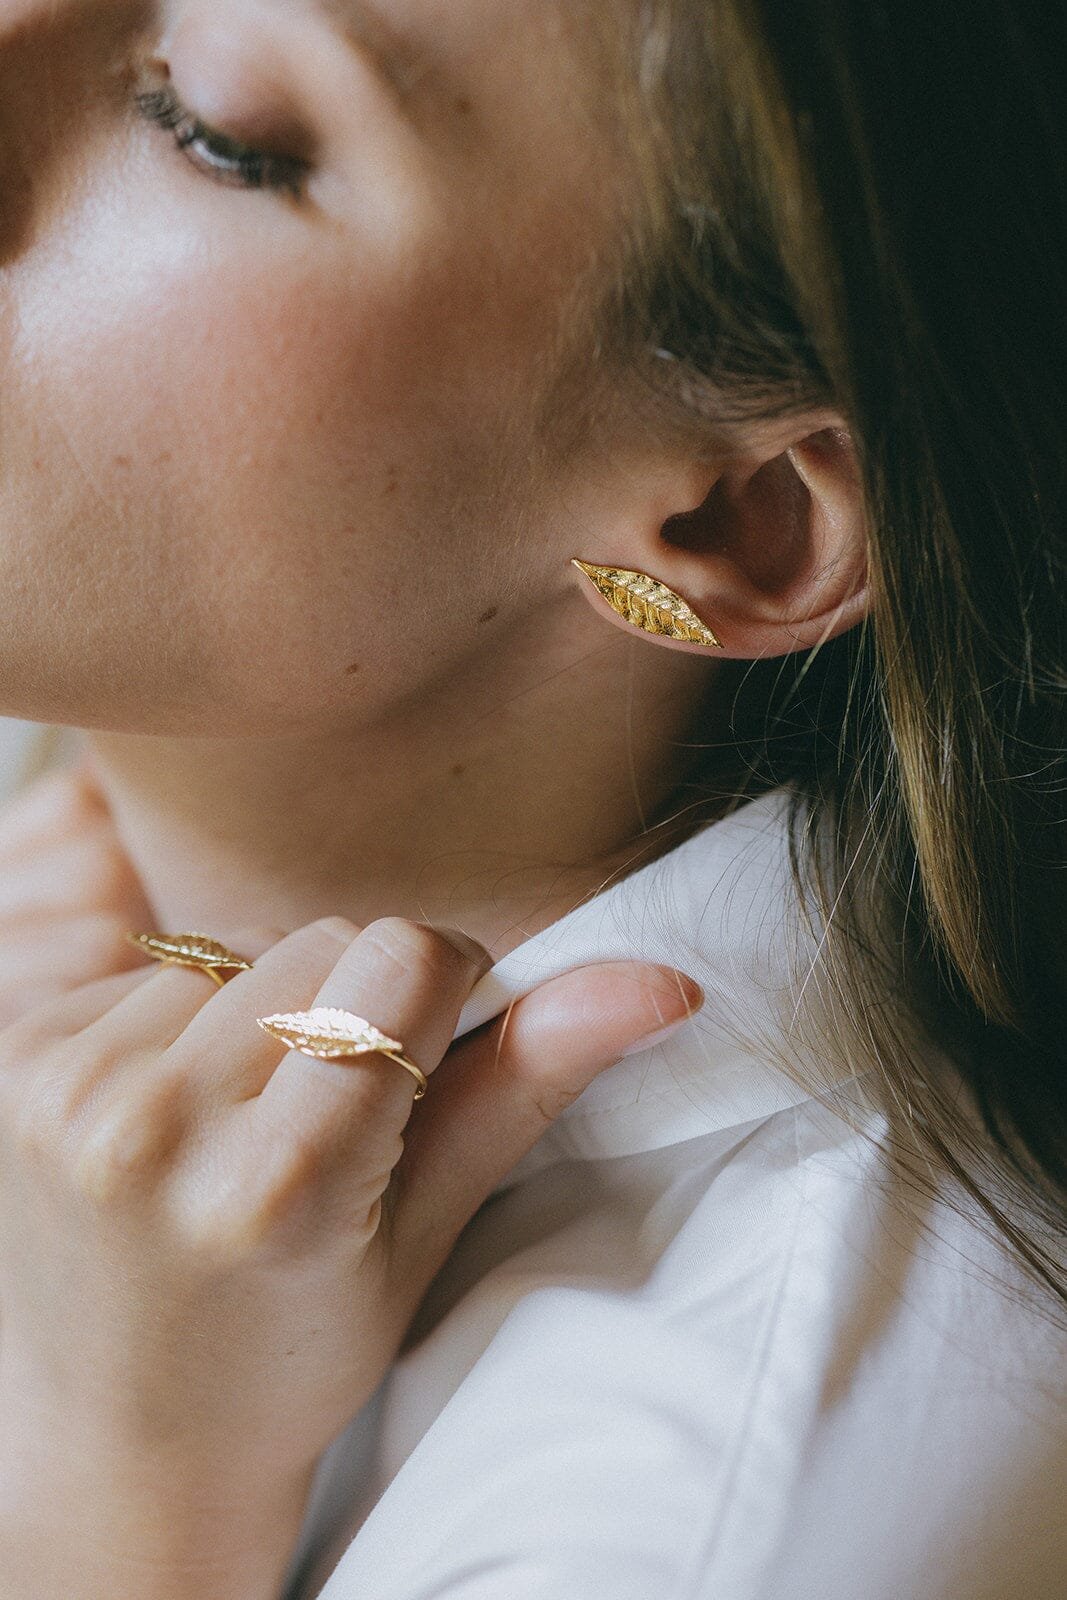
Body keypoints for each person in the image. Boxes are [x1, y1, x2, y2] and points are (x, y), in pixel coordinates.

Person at [0, 0, 1063, 1596]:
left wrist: (118, 1498)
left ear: (740, 525)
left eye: (213, 121)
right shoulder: (87, 774)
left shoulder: (729, 1523)